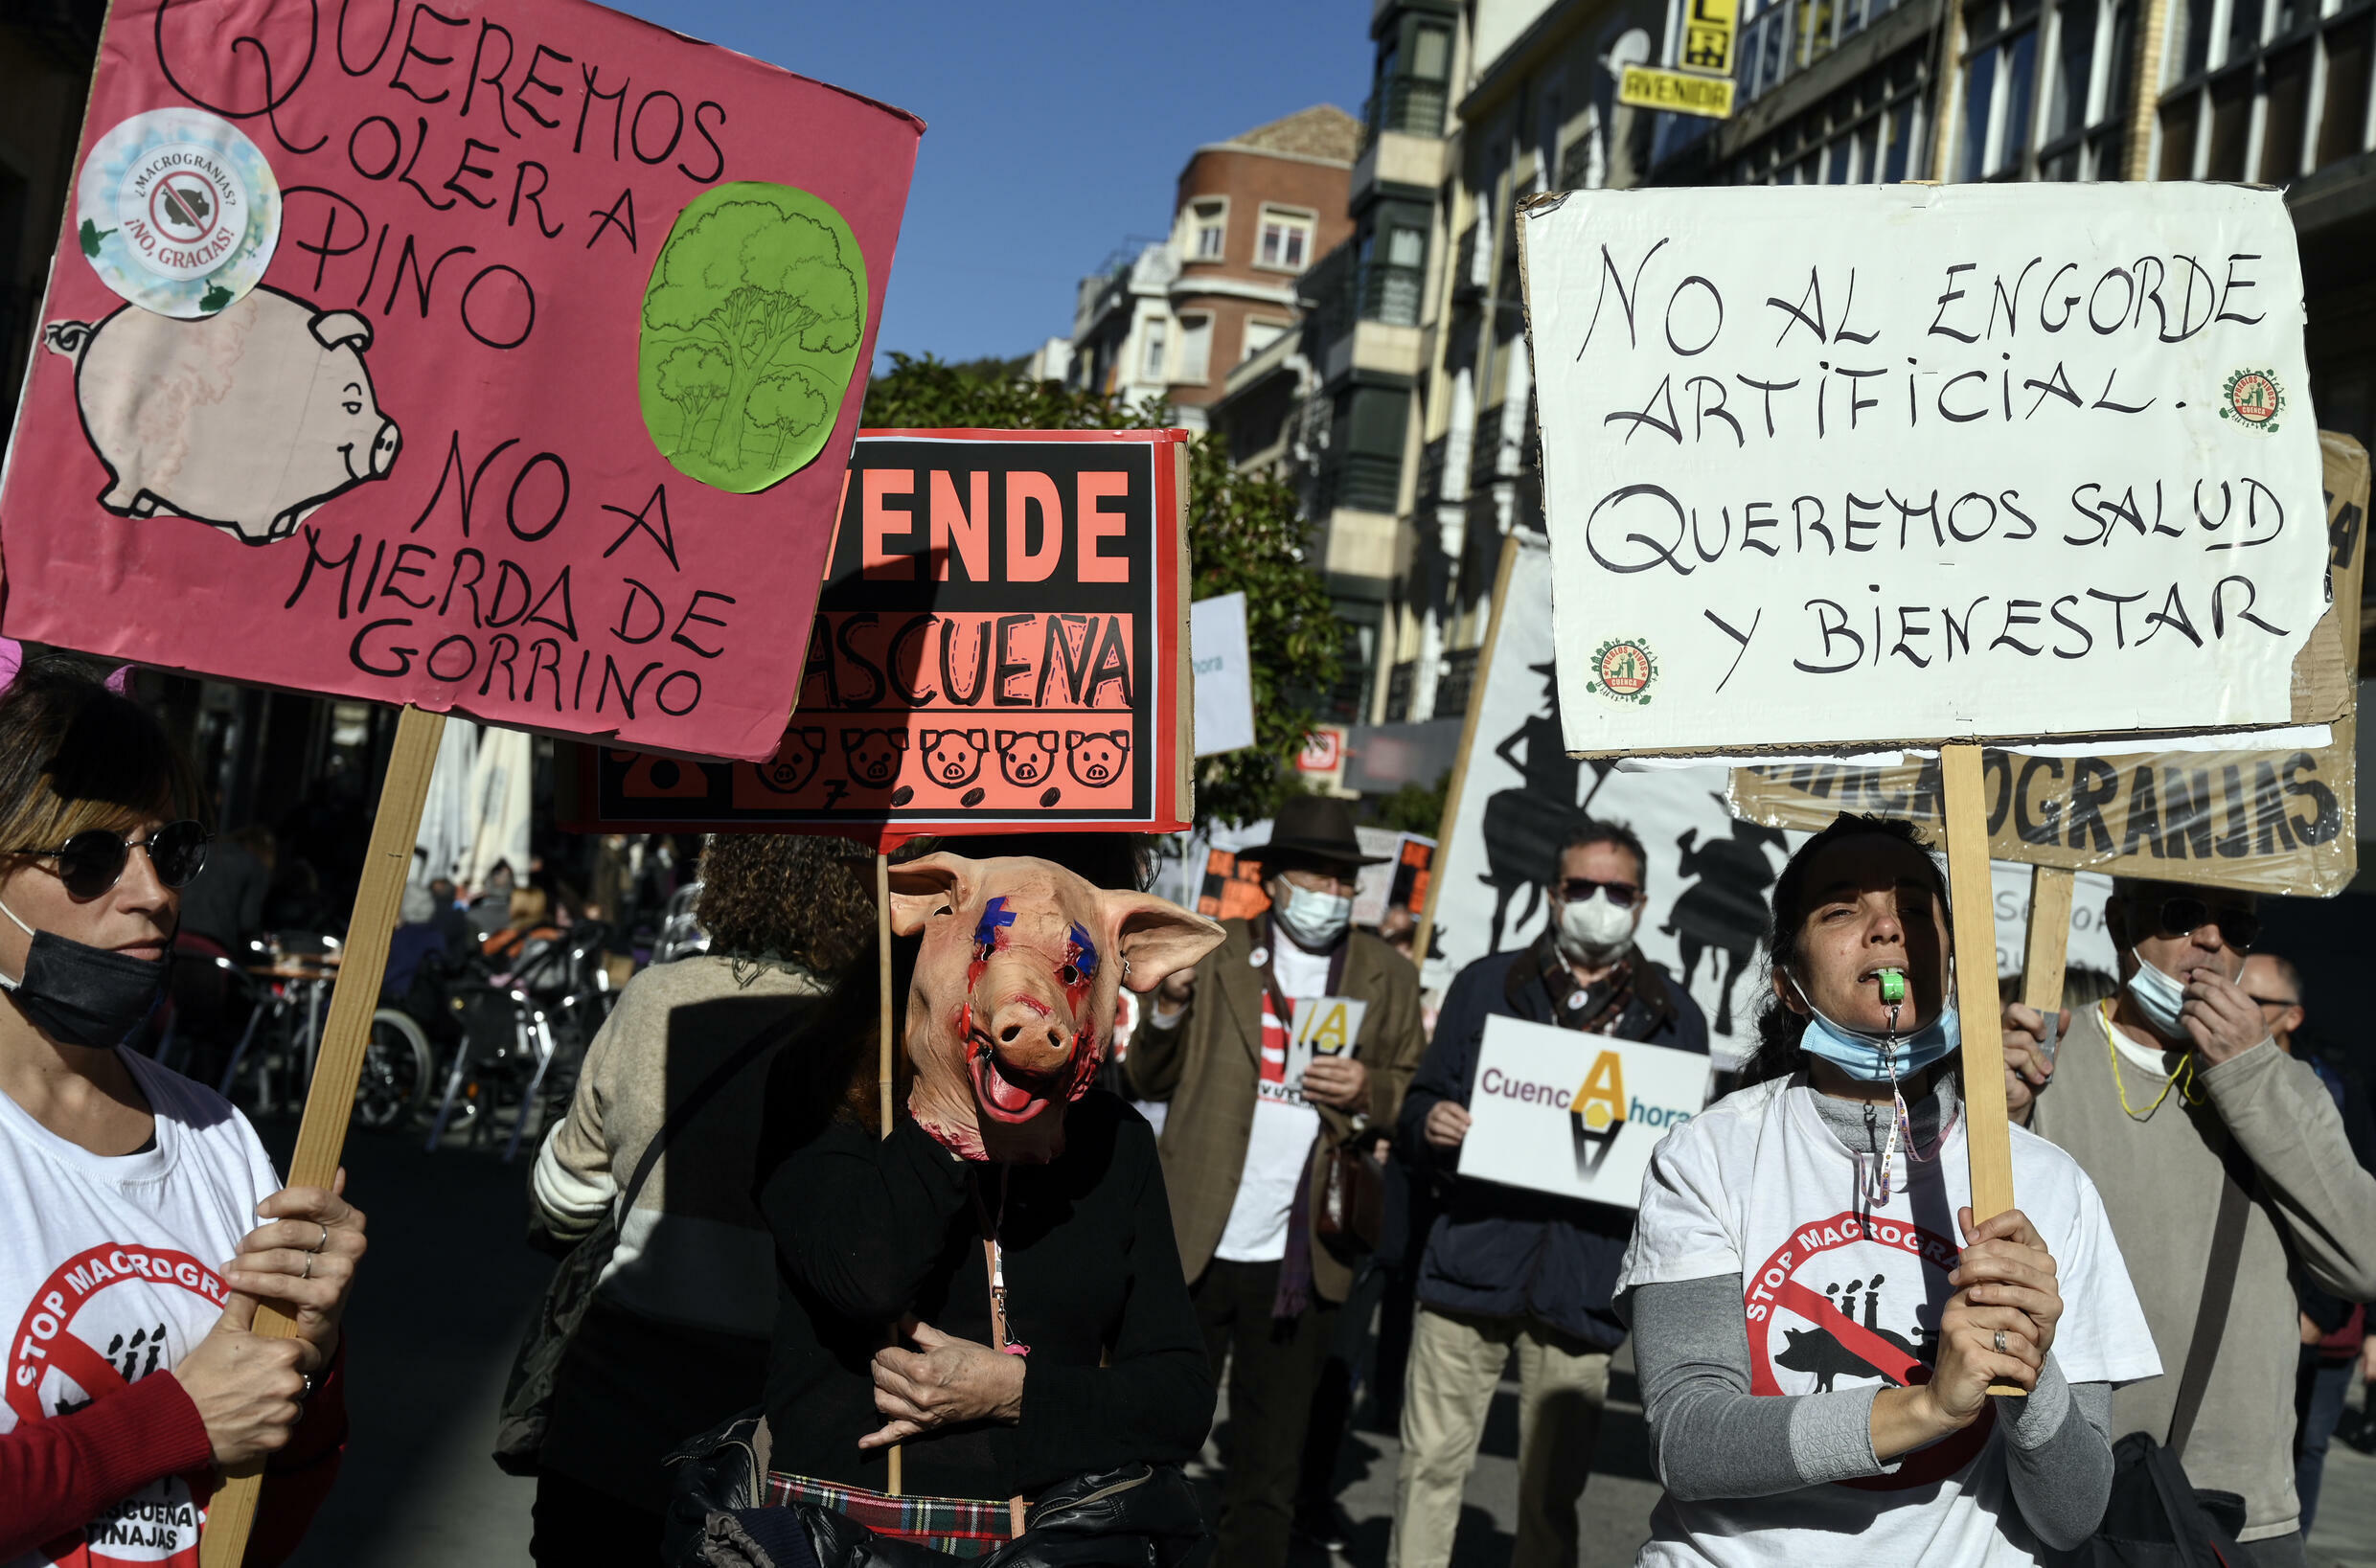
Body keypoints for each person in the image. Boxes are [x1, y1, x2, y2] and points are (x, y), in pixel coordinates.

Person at [1620, 813, 2157, 1566]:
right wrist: (1928, 1407)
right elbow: (1690, 1442)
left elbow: (2072, 1514)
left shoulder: (2049, 1184)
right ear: (1789, 985)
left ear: (1957, 962)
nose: (1885, 928)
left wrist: (2028, 1372)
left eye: (1912, 906)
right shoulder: (1709, 1156)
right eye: (1842, 908)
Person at [750, 839, 1221, 1557]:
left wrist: (1018, 1393)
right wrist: (944, 1112)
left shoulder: (1112, 1141)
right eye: (992, 943)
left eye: (1068, 963)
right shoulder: (827, 1091)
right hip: (837, 1532)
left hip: (1034, 1537)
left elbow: (1180, 1396)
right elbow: (865, 1278)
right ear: (924, 915)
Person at [0, 661, 367, 1565]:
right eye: (89, 856)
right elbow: (194, 1426)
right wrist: (176, 1418)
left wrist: (308, 1366)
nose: (153, 894)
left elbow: (255, 1529)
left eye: (169, 850)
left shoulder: (222, 1141)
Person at [527, 834, 875, 1565]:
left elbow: (562, 1197)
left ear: (727, 878)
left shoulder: (655, 996)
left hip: (608, 1424)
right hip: (766, 1455)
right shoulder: (870, 1040)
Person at [2005, 880, 2376, 1563]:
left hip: (2238, 1515)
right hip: (2065, 1503)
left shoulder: (2284, 1083)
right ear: (2120, 922)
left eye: (2236, 926)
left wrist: (2250, 1070)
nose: (2209, 940)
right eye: (2181, 915)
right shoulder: (2046, 1066)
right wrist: (2000, 1108)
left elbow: (2364, 1259)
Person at [1390, 819, 1708, 1568]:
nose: (1598, 902)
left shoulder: (1674, 1017)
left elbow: (1683, 1167)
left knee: (1549, 1495)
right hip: (1469, 1262)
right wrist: (1428, 1119)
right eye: (1581, 887)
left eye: (1617, 889)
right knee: (1428, 1469)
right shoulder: (1485, 984)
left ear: (1641, 904)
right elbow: (1417, 1104)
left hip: (1583, 1286)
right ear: (1551, 894)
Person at [1125, 794, 1428, 1568]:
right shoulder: (1214, 953)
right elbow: (1145, 1076)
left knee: (1268, 1463)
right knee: (1153, 1437)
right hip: (1195, 1233)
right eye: (1314, 875)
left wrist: (1369, 1088)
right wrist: (1163, 1005)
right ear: (1275, 879)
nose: (1329, 891)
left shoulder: (1385, 974)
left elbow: (1408, 1086)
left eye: (1341, 878)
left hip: (1303, 1254)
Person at [2237, 950, 2376, 1534]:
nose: (2234, 1005)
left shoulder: (2330, 1096)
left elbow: (2358, 1215)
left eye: (2255, 1001)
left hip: (2320, 1325)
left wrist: (2330, 1318)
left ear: (2290, 1017)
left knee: (2307, 1447)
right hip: (2241, 1325)